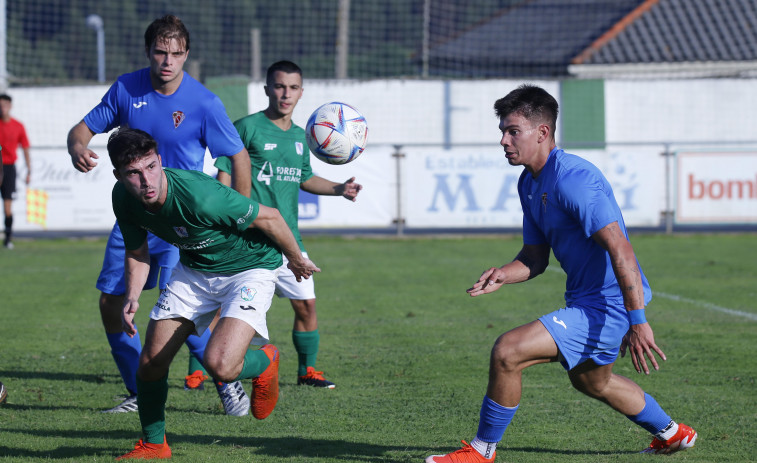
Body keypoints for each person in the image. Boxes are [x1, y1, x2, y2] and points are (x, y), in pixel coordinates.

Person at [425, 85, 697, 463]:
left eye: (512, 131)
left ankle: (481, 452)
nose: (503, 140)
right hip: (589, 300)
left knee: (508, 351)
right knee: (591, 380)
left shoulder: (574, 179)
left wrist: (638, 321)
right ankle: (673, 433)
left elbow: (621, 249)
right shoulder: (529, 182)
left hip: (610, 303)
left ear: (543, 133)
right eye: (502, 130)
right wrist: (504, 274)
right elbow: (536, 258)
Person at [66, 15, 252, 415]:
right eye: (160, 52)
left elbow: (237, 155)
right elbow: (81, 130)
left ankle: (227, 379)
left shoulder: (204, 102)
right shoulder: (126, 88)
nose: (168, 61)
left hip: (182, 221)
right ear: (148, 51)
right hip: (135, 215)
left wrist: (241, 212)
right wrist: (77, 147)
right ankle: (137, 391)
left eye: (176, 54)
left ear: (187, 54)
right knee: (110, 305)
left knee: (176, 311)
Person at [107, 128, 319, 460]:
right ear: (119, 176)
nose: (146, 180)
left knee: (220, 364)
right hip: (195, 271)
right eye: (134, 173)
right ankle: (154, 445)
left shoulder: (199, 196)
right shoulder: (123, 198)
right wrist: (133, 295)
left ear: (159, 161)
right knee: (150, 363)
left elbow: (271, 217)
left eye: (150, 167)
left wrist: (296, 259)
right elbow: (137, 251)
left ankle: (265, 362)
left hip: (250, 267)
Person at [215, 60, 362, 389]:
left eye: (292, 88)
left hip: (288, 238)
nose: (285, 93)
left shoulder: (302, 136)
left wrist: (340, 189)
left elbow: (305, 178)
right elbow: (224, 173)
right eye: (279, 86)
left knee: (307, 305)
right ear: (267, 89)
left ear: (301, 92)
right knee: (222, 308)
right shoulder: (247, 127)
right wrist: (225, 220)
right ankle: (199, 372)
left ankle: (306, 371)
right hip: (249, 238)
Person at [0, 94, 31, 249]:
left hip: (8, 168)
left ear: (10, 106)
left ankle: (7, 238)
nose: (2, 108)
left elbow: (25, 148)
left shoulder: (18, 126)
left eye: (5, 104)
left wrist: (29, 169)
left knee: (7, 206)